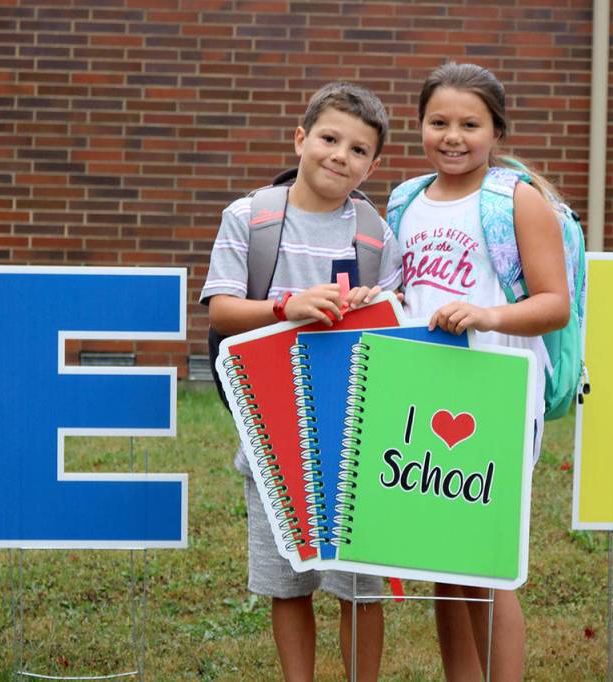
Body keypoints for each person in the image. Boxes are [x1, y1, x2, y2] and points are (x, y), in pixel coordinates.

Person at [199, 82, 403, 681]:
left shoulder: (373, 233)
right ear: (301, 138)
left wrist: (371, 302)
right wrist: (286, 306)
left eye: (359, 149)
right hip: (272, 423)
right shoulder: (252, 217)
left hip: (355, 430)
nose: (341, 156)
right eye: (329, 138)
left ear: (373, 163)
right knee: (288, 580)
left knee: (360, 584)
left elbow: (394, 319)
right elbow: (222, 311)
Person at [390, 62, 570, 681]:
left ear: (496, 131)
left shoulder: (514, 199)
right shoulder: (405, 201)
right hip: (420, 393)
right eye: (438, 122)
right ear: (420, 125)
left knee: (488, 560)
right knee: (441, 558)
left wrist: (485, 314)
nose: (453, 136)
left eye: (470, 123)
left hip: (496, 393)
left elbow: (554, 304)